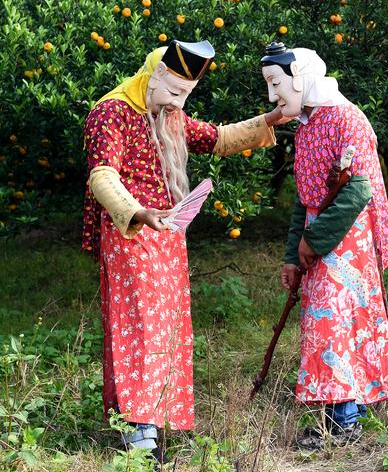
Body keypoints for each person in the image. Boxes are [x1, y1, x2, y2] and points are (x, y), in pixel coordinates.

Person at [82, 40, 288, 462]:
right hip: (131, 237)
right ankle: (139, 437)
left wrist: (271, 118)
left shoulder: (168, 113)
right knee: (139, 327)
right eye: (174, 91)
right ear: (153, 76)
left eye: (185, 95)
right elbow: (102, 176)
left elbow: (216, 137)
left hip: (167, 236)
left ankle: (152, 426)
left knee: (167, 330)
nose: (178, 102)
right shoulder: (112, 112)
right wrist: (139, 212)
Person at [260, 42, 388, 450]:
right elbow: (304, 198)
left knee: (336, 323)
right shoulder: (306, 126)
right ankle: (340, 417)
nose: (273, 96)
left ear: (301, 78)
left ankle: (343, 424)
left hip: (347, 239)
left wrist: (314, 240)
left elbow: (357, 190)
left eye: (277, 84)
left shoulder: (345, 118)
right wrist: (293, 254)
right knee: (324, 325)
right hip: (320, 234)